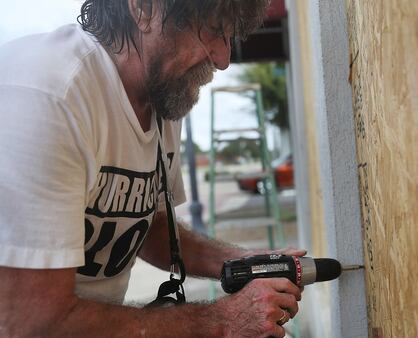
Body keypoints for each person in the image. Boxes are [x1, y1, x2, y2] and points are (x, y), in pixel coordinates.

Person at [0, 1, 304, 337]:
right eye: (215, 31)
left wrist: (243, 262)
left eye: (230, 37)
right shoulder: (49, 97)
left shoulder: (163, 96)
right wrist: (223, 321)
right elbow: (33, 322)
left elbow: (149, 226)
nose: (223, 59)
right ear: (144, 9)